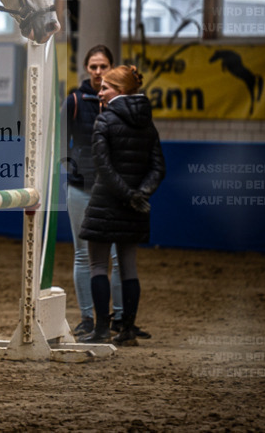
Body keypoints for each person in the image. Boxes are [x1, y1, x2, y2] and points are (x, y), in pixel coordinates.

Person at [79, 65, 166, 346]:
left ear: (122, 90)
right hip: (134, 206)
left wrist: (126, 193)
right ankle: (127, 330)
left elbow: (102, 167)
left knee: (97, 266)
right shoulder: (148, 123)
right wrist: (140, 194)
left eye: (105, 87)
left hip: (106, 201)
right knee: (129, 268)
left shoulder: (104, 121)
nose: (100, 92)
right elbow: (158, 167)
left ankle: (102, 329)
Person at [60, 45, 124, 337]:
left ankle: (120, 319)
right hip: (80, 188)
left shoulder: (121, 102)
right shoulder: (73, 100)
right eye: (94, 66)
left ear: (111, 68)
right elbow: (61, 143)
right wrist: (73, 170)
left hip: (113, 191)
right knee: (83, 255)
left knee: (115, 256)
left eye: (104, 66)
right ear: (87, 68)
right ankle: (87, 318)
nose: (98, 72)